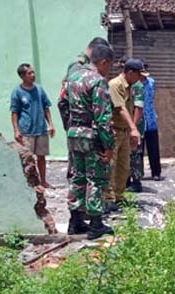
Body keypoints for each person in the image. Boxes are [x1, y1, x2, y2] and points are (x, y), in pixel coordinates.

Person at [64, 45, 116, 238]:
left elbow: (63, 104)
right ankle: (95, 224)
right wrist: (108, 146)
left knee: (78, 175)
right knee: (96, 178)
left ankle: (75, 220)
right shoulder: (98, 81)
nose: (108, 70)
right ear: (104, 62)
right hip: (91, 135)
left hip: (74, 133)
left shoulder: (73, 78)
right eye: (109, 66)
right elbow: (103, 117)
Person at [106, 59, 143, 208]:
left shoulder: (130, 86)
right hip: (114, 131)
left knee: (124, 166)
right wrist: (134, 129)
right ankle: (108, 199)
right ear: (130, 72)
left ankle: (119, 197)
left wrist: (131, 130)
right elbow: (121, 108)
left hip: (124, 132)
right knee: (111, 166)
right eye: (138, 75)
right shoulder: (115, 85)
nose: (140, 78)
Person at [11, 63, 55, 188]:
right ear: (22, 76)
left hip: (41, 129)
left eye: (33, 72)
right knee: (27, 160)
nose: (32, 75)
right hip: (26, 131)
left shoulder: (39, 89)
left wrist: (51, 124)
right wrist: (16, 131)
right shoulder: (17, 92)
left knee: (42, 157)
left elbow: (46, 107)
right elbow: (14, 113)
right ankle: (28, 184)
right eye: (29, 73)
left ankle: (43, 181)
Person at [127, 65, 148, 192]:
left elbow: (138, 109)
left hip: (135, 126)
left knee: (135, 153)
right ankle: (128, 180)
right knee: (130, 154)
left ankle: (136, 181)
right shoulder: (131, 86)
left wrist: (133, 127)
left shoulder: (138, 87)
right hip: (130, 125)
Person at [142, 70, 163, 180]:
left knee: (153, 148)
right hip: (139, 121)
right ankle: (138, 173)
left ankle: (156, 173)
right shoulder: (134, 85)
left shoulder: (151, 82)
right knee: (138, 150)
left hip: (150, 120)